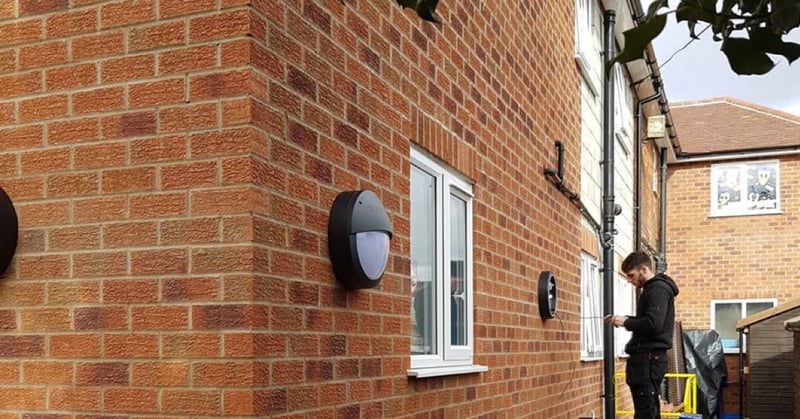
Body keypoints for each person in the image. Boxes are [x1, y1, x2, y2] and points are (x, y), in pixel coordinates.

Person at [605, 251, 680, 419]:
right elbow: (649, 322)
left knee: (646, 413)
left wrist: (625, 322)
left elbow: (653, 324)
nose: (629, 280)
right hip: (648, 359)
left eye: (631, 275)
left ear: (644, 269)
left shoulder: (657, 289)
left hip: (648, 359)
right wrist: (624, 320)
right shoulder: (652, 289)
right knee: (647, 411)